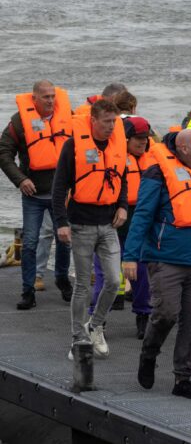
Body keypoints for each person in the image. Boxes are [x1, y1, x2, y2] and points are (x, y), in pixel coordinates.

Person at [122, 129, 191, 400]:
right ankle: (149, 353)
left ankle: (183, 378)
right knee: (166, 313)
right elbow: (142, 215)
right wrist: (130, 256)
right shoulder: (158, 174)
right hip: (166, 258)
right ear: (182, 149)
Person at [53, 99, 128, 360]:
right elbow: (59, 186)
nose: (111, 127)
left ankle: (95, 326)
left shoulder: (118, 145)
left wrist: (123, 206)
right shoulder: (74, 146)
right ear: (93, 120)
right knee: (83, 284)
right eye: (106, 121)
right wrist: (61, 223)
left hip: (109, 224)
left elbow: (122, 177)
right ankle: (78, 338)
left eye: (114, 122)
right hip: (81, 223)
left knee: (115, 280)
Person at [0, 80, 73, 309]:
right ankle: (28, 291)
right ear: (34, 99)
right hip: (33, 195)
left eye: (53, 96)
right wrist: (21, 180)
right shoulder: (19, 121)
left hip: (62, 194)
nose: (51, 101)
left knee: (65, 240)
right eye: (45, 97)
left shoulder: (68, 116)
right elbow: (3, 152)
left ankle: (62, 280)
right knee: (30, 243)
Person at [88, 117, 155, 339]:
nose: (143, 142)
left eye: (146, 138)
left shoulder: (154, 159)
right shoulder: (111, 157)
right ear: (125, 138)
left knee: (141, 273)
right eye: (138, 138)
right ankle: (97, 320)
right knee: (105, 274)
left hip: (140, 222)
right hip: (112, 221)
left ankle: (143, 316)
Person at [35, 211, 55, 291]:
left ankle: (90, 272)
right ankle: (38, 275)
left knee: (82, 231)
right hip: (48, 199)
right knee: (46, 231)